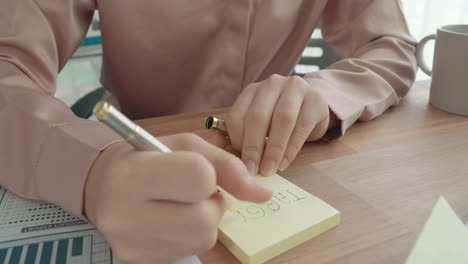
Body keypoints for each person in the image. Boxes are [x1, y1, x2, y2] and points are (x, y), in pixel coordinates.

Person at [0, 1, 416, 263]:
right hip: (130, 146)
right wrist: (91, 168)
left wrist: (322, 96)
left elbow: (391, 45)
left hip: (282, 156)